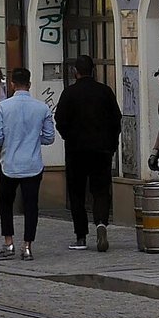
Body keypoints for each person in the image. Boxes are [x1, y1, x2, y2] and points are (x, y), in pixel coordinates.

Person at [55, 57, 123, 252]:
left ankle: (81, 236)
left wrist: (69, 137)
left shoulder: (69, 93)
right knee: (100, 190)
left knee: (76, 193)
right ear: (93, 71)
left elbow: (59, 120)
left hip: (76, 151)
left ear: (76, 71)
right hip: (101, 150)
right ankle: (101, 223)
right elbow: (116, 120)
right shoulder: (105, 92)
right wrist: (111, 144)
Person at [0, 67, 55, 261]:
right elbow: (50, 138)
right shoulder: (41, 108)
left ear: (12, 84)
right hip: (32, 165)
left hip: (9, 164)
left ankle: (8, 242)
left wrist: (9, 141)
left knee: (6, 205)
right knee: (31, 206)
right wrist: (35, 139)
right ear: (29, 83)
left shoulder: (3, 107)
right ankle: (27, 246)